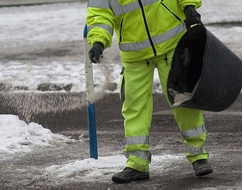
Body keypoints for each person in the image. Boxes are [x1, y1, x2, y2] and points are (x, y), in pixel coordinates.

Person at [87, 0, 213, 183]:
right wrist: (98, 40)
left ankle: (198, 156)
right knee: (134, 107)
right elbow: (99, 14)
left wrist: (189, 5)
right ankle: (137, 163)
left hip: (171, 43)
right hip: (134, 54)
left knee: (182, 100)